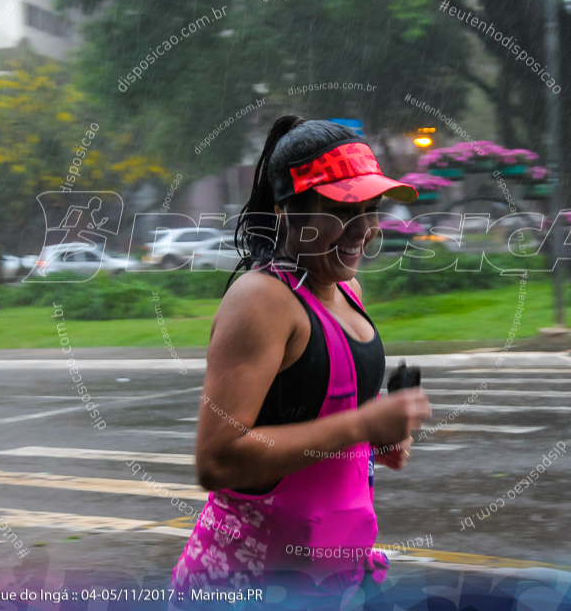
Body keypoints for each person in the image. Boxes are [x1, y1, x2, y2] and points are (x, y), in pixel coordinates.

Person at [170, 116, 432, 601]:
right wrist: (362, 426)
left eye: (372, 209)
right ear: (287, 212)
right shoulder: (260, 299)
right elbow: (217, 460)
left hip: (333, 580)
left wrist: (380, 441)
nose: (365, 229)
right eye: (343, 210)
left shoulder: (347, 290)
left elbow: (321, 428)